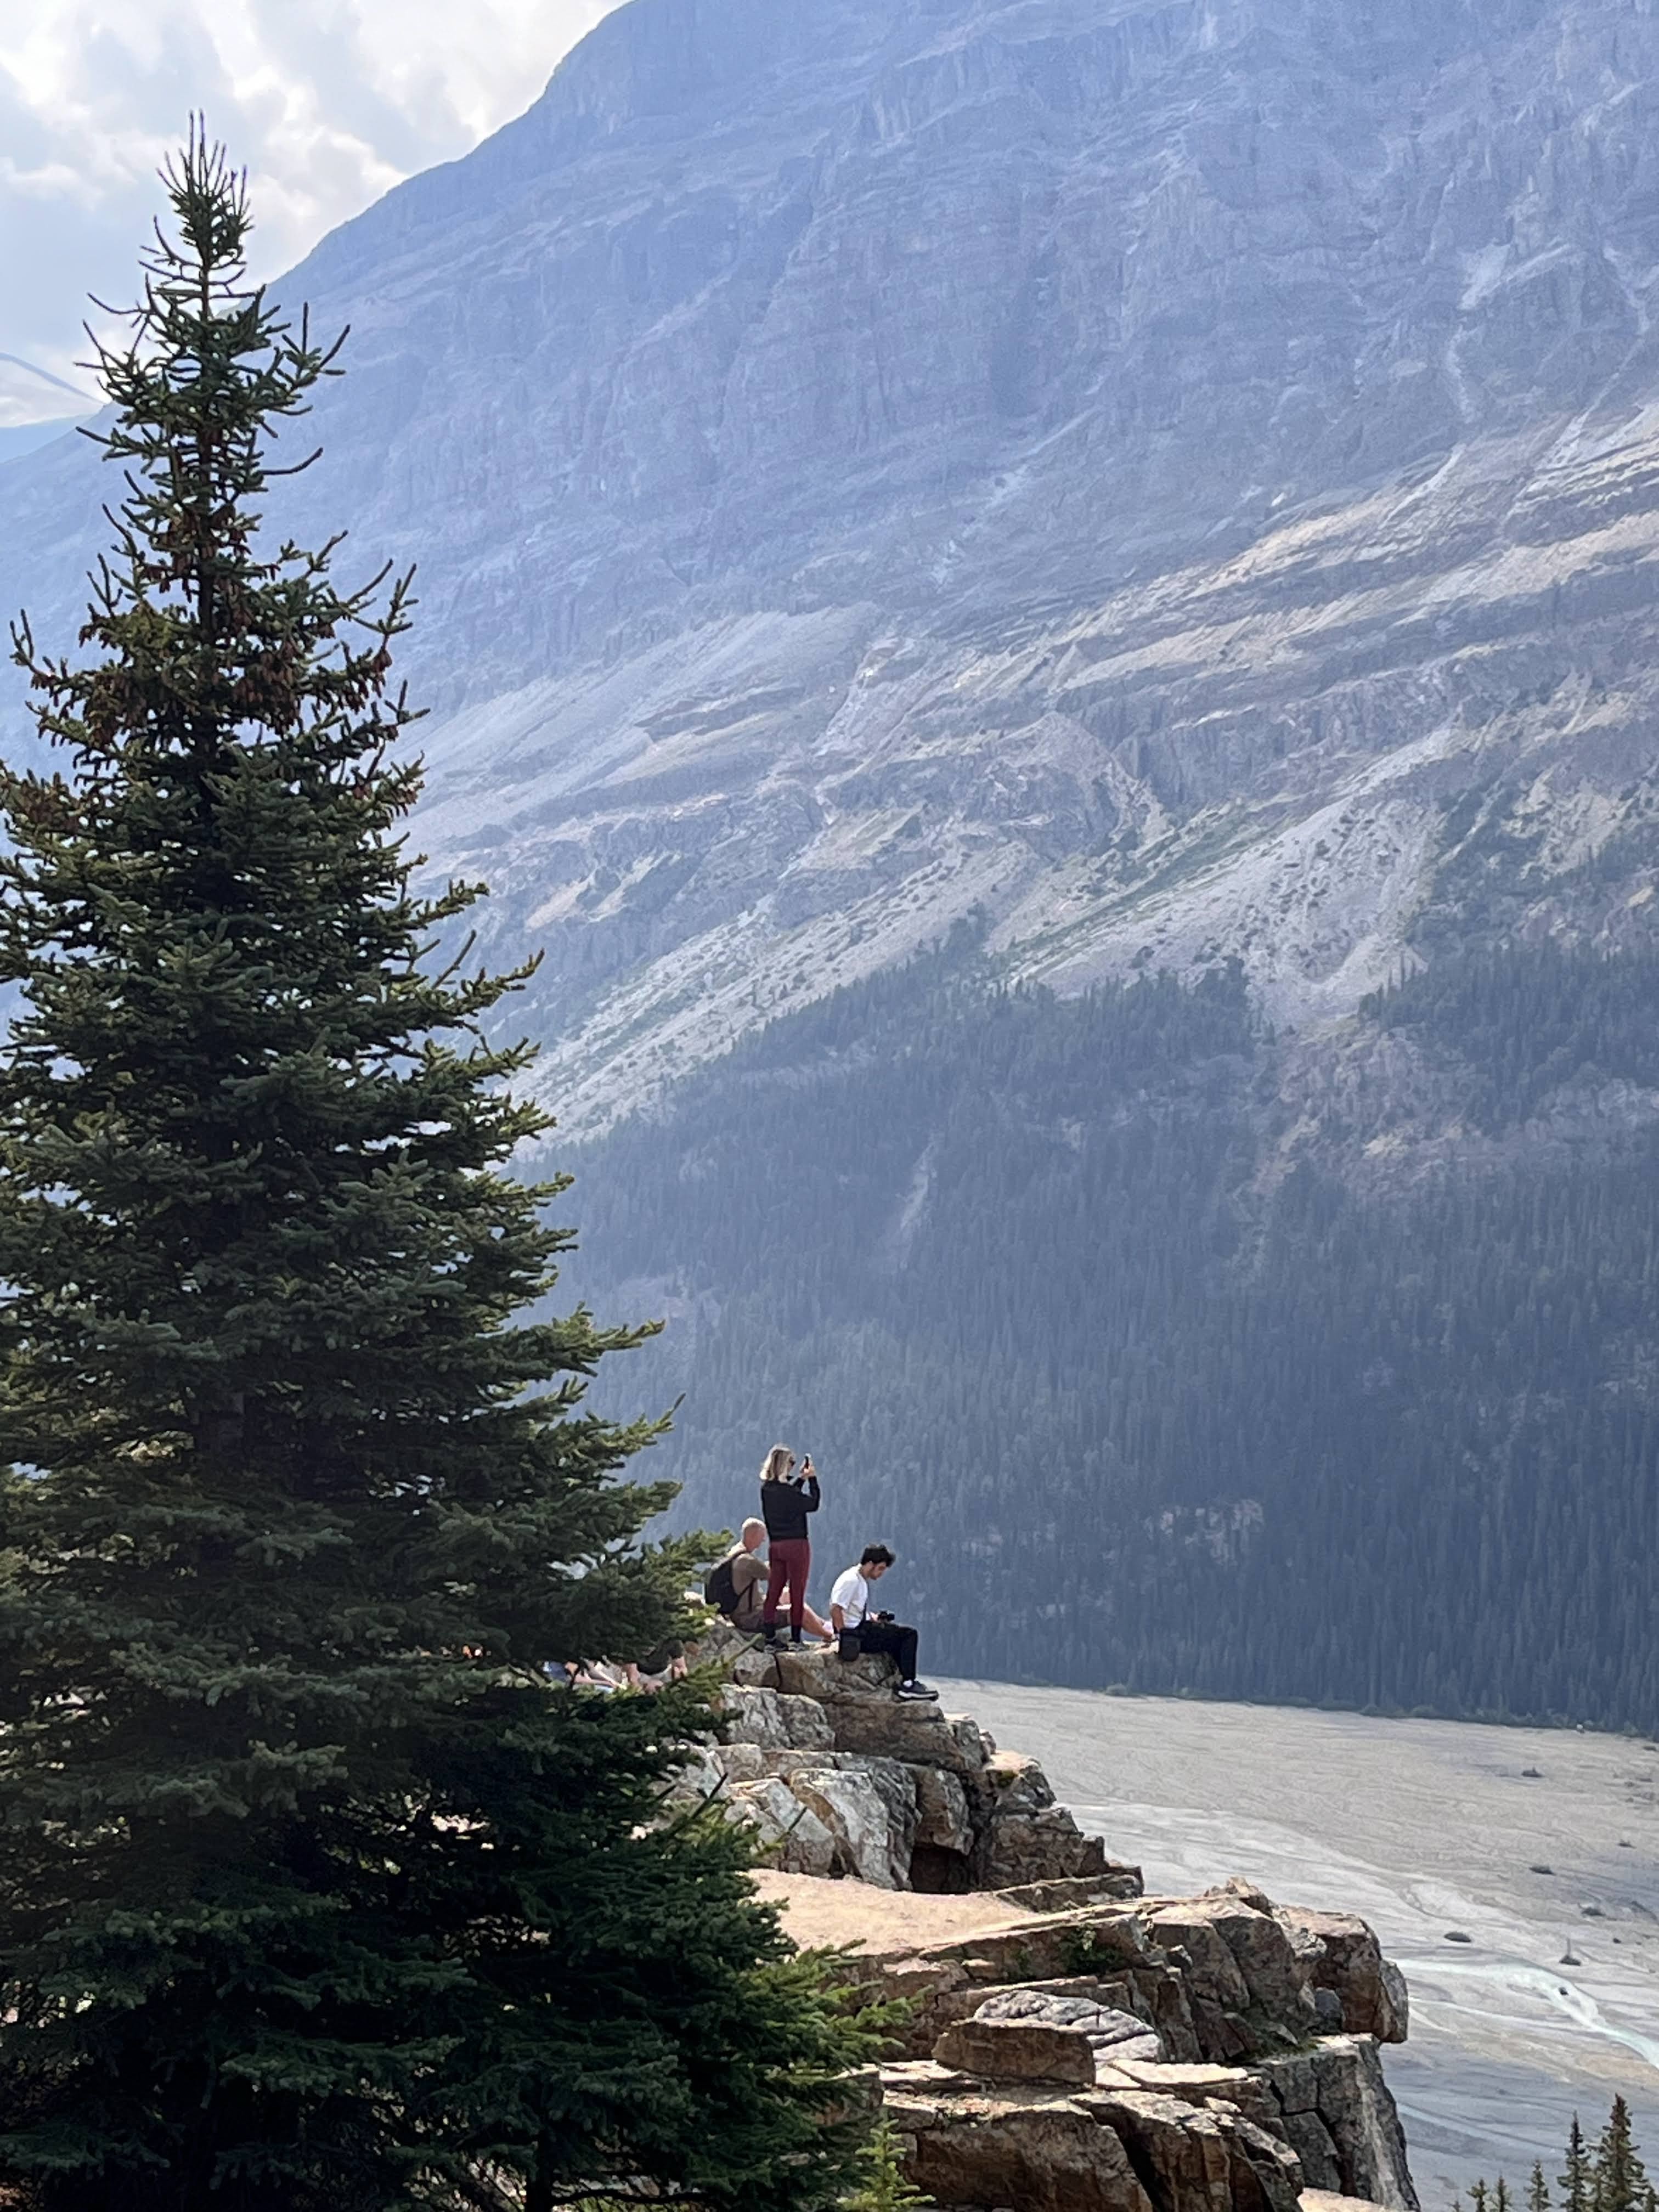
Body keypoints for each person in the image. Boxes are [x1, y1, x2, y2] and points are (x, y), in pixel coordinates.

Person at [830, 1543, 936, 1701]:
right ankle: (908, 1685)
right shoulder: (851, 1581)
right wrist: (842, 1636)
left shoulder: (859, 1579)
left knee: (894, 1635)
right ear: (870, 1564)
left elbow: (851, 1611)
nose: (881, 1574)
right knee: (909, 1635)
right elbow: (835, 1608)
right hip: (856, 1635)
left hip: (860, 1628)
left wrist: (875, 1618)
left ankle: (903, 1680)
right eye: (880, 1569)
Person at [708, 1519, 832, 1642]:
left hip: (741, 1612)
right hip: (750, 1618)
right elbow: (775, 1576)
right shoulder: (747, 1561)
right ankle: (829, 1636)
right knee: (799, 1611)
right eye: (761, 1537)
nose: (763, 1541)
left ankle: (824, 1625)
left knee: (787, 1594)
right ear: (752, 1536)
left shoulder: (735, 1554)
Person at [759, 1442, 819, 1648]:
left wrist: (800, 1479)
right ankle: (795, 1639)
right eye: (791, 1463)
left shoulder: (767, 1489)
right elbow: (813, 1504)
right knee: (797, 1590)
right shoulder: (788, 1493)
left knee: (774, 1590)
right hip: (797, 1546)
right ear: (784, 1465)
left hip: (776, 1546)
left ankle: (769, 1639)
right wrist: (812, 1479)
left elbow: (787, 1495)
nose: (793, 1466)